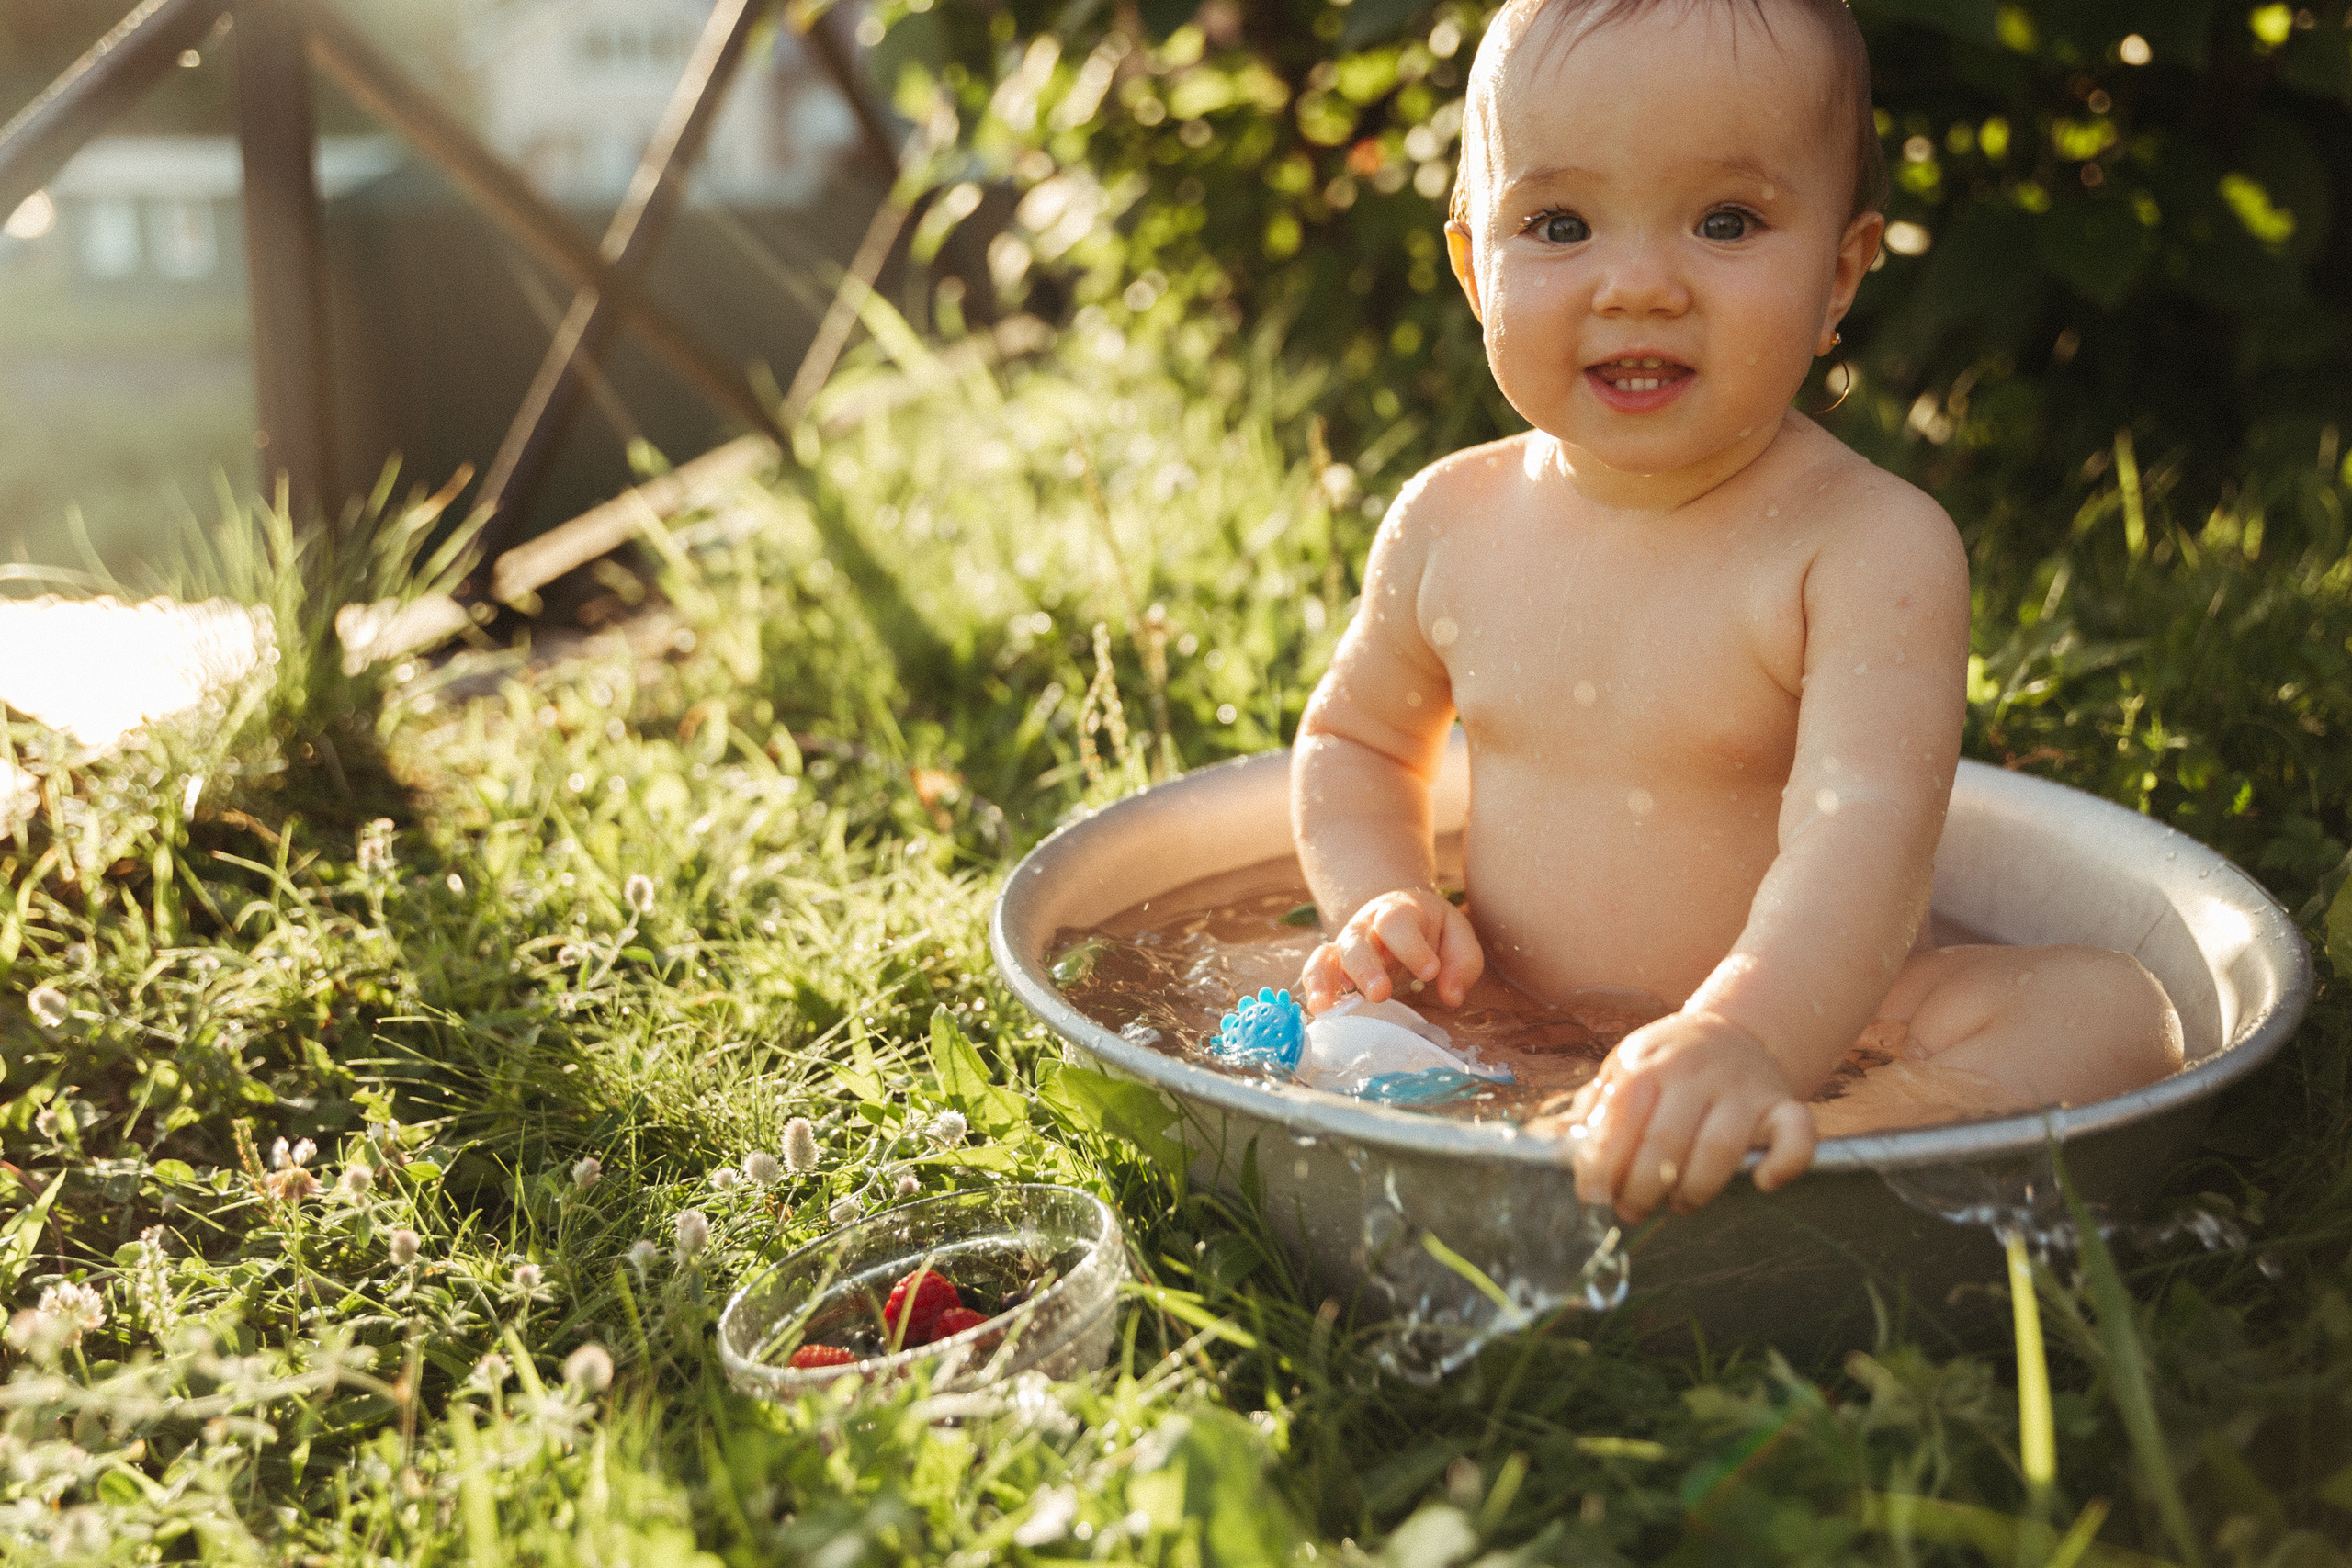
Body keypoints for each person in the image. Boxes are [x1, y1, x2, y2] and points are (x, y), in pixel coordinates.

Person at [1289, 0, 2182, 1222]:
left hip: (1826, 1028)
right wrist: (1386, 906)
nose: (1639, 285)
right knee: (1280, 983)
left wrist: (1750, 1038)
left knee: (2112, 1013)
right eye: (1559, 224)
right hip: (1503, 1007)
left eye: (1726, 222)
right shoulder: (1451, 520)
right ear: (1472, 267)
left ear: (1840, 275)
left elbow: (1862, 835)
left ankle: (1824, 1142)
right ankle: (1591, 1128)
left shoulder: (1865, 546)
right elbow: (1356, 745)